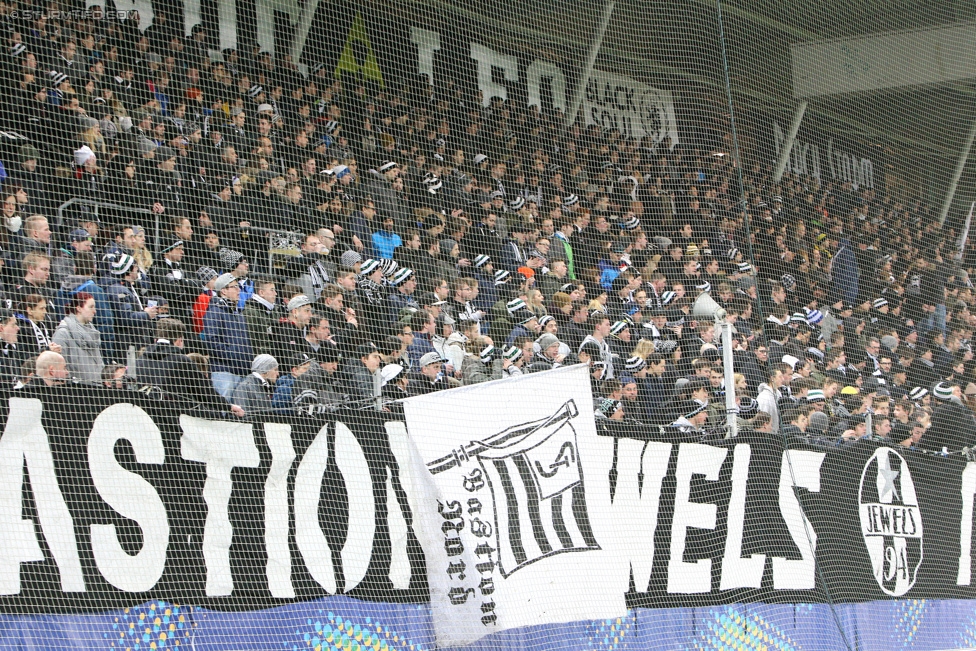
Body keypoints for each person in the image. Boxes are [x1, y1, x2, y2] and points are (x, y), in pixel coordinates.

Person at [132, 318, 244, 416]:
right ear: (180, 340)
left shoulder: (140, 360)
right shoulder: (182, 361)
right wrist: (228, 407)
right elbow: (204, 392)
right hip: (174, 419)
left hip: (146, 416)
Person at [203, 273, 254, 399]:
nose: (239, 290)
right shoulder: (215, 311)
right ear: (223, 291)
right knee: (224, 408)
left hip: (242, 371)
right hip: (223, 371)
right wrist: (233, 354)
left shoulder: (238, 314)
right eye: (234, 287)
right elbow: (211, 341)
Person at [52, 292, 103, 382]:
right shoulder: (63, 333)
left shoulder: (93, 333)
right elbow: (58, 367)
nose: (95, 311)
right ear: (79, 308)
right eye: (91, 307)